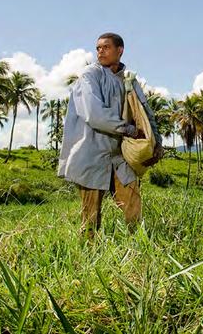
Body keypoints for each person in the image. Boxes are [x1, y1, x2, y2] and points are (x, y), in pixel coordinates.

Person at [57, 32, 156, 235]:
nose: (100, 52)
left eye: (106, 47)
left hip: (119, 157)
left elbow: (145, 112)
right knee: (90, 216)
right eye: (98, 48)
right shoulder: (89, 75)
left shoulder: (128, 80)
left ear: (120, 50)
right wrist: (128, 129)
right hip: (91, 154)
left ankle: (138, 249)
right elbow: (95, 114)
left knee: (133, 204)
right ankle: (87, 257)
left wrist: (157, 142)